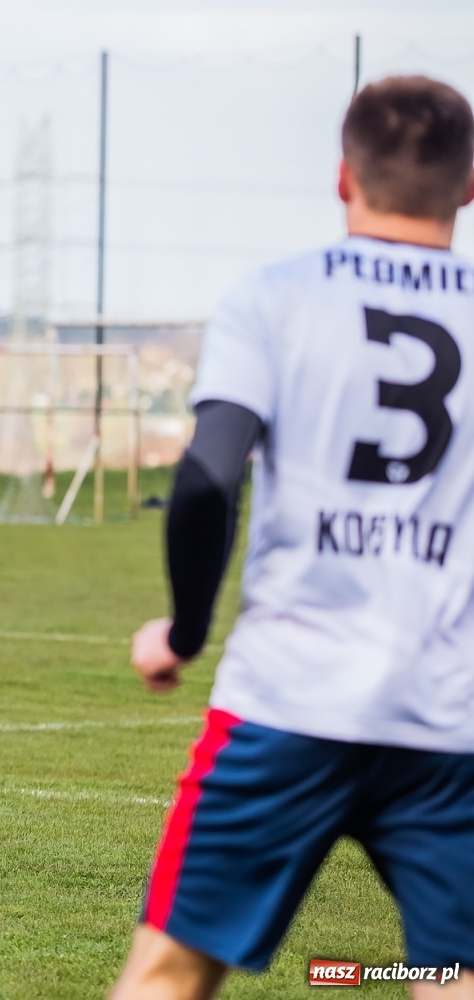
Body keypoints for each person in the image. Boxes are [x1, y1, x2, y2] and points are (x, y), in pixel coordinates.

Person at [111, 75, 474, 999]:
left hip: (286, 703)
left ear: (343, 178)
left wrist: (185, 632)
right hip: (452, 720)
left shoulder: (274, 298)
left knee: (170, 973)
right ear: (469, 186)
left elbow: (206, 478)